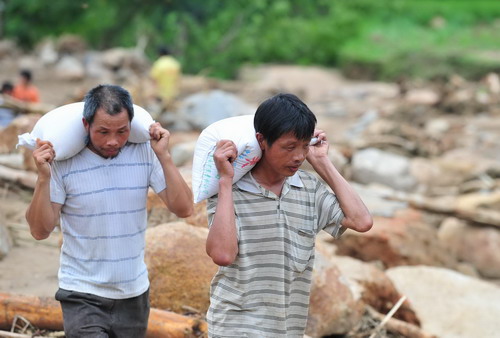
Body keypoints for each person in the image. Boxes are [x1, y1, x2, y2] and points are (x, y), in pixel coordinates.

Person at [25, 84, 193, 337]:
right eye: (103, 131)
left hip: (134, 293)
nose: (113, 140)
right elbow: (40, 231)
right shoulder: (62, 162)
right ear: (86, 124)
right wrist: (43, 179)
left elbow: (184, 208)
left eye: (122, 131)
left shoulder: (145, 152)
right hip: (82, 293)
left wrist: (165, 156)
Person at [205, 93, 373, 337]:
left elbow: (361, 221)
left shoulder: (308, 189)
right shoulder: (231, 190)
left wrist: (322, 162)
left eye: (305, 146)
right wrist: (225, 181)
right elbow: (222, 254)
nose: (298, 157)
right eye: (289, 147)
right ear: (261, 140)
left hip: (288, 328)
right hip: (236, 327)